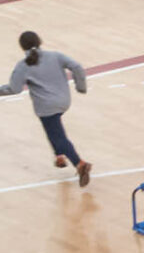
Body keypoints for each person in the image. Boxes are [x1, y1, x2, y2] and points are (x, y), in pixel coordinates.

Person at [6, 31, 91, 186]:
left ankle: (80, 164)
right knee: (53, 129)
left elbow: (14, 89)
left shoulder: (23, 65)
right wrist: (81, 86)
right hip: (64, 101)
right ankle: (59, 156)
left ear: (21, 46)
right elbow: (77, 67)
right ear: (39, 41)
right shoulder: (56, 56)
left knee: (58, 136)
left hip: (46, 106)